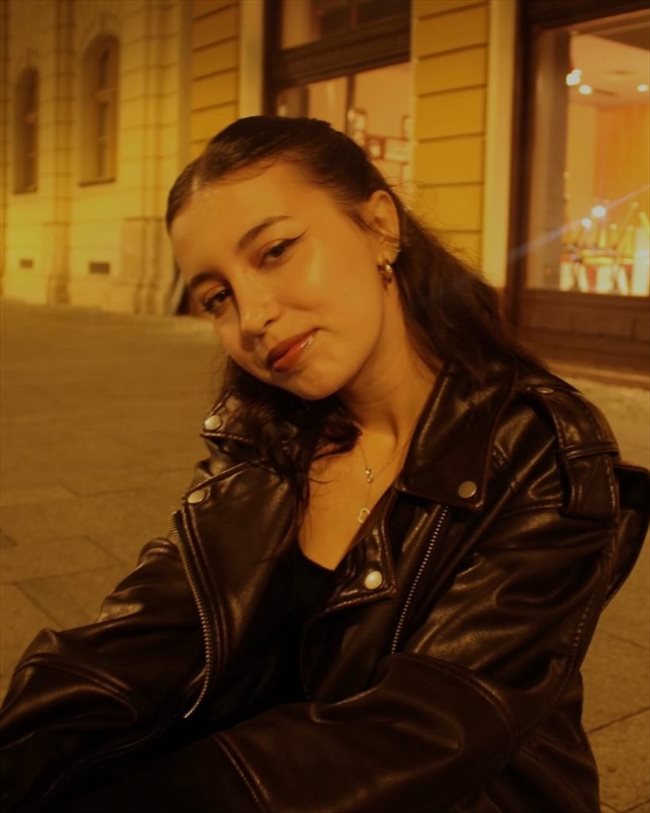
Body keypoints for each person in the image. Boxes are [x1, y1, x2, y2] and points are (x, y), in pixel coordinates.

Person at [1, 116, 648, 813]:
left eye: (276, 251)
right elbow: (149, 626)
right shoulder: (264, 433)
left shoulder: (541, 451)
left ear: (379, 227)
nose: (252, 317)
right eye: (217, 297)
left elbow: (421, 734)